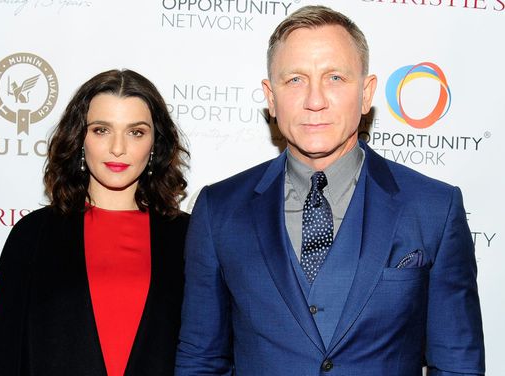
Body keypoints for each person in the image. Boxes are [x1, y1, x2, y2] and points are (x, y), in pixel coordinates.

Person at [176, 5, 484, 375]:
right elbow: (201, 360)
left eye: (335, 78)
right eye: (295, 80)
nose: (315, 100)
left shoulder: (434, 207)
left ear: (367, 93)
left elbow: (457, 364)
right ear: (270, 98)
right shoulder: (219, 210)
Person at [0, 69, 189, 376]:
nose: (118, 147)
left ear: (156, 143)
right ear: (80, 138)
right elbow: (3, 356)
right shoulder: (33, 235)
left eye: (136, 132)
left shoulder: (188, 238)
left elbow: (209, 353)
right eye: (102, 130)